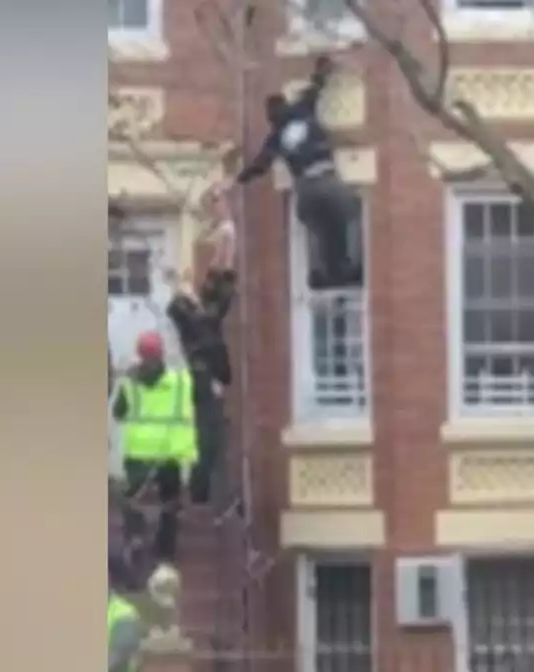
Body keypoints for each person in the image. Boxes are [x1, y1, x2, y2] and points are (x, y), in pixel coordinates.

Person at [218, 55, 361, 290]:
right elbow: (316, 86)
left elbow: (259, 166)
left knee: (316, 226)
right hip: (327, 179)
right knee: (344, 216)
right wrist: (325, 67)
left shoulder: (274, 138)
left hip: (306, 189)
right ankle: (347, 267)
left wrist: (234, 180)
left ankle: (320, 272)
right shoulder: (302, 108)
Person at [166, 185, 238, 505]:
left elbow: (221, 271)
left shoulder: (193, 315)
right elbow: (222, 273)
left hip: (201, 376)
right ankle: (199, 491)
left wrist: (223, 226)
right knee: (208, 434)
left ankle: (200, 488)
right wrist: (225, 230)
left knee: (207, 432)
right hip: (202, 377)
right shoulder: (197, 317)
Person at [110, 330, 198, 575]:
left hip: (140, 457)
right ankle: (164, 552)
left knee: (133, 501)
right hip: (168, 456)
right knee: (169, 505)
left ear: (140, 355)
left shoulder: (131, 384)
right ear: (161, 356)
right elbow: (198, 401)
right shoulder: (180, 382)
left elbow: (118, 413)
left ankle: (138, 542)